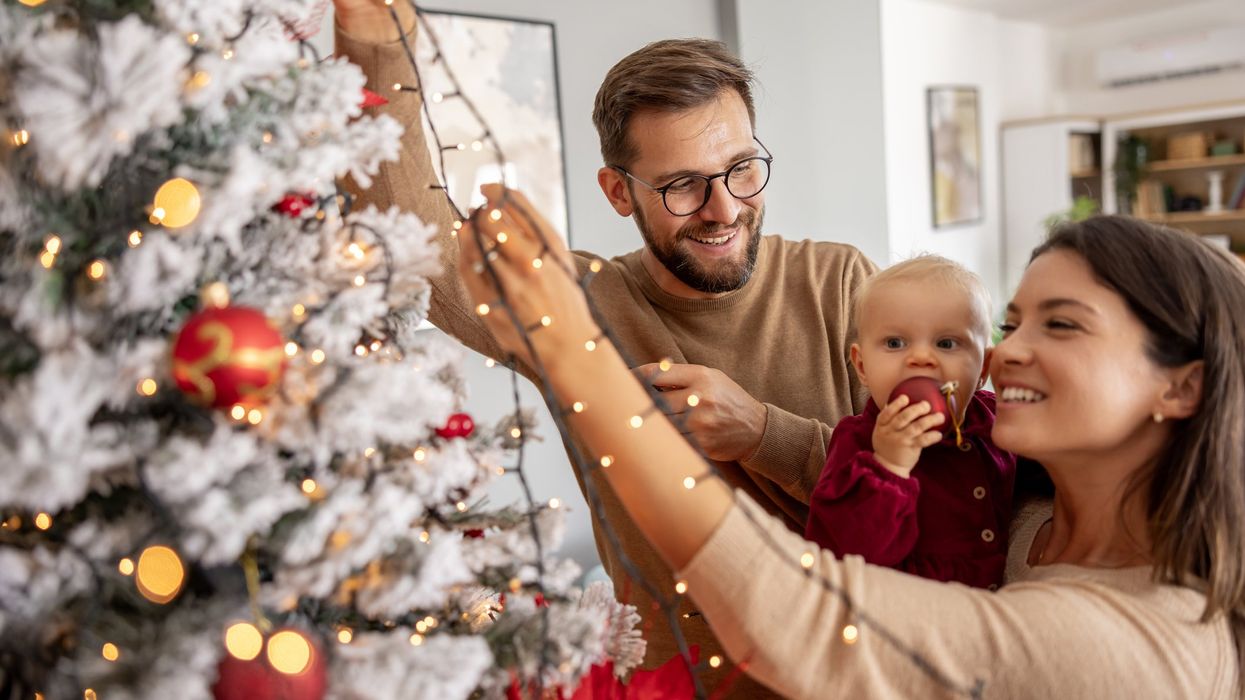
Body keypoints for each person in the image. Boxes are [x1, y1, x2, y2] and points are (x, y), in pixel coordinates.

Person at [457, 204, 1244, 697]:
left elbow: (795, 611)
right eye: (1012, 325)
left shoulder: (1129, 645)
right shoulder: (1036, 506)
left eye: (1061, 324)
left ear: (1180, 389)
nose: (1003, 356)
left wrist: (571, 348)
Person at [332, 2, 875, 690]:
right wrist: (377, 35)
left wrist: (763, 434)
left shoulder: (843, 282)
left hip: (844, 678)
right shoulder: (572, 303)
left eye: (741, 168)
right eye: (682, 186)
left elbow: (932, 491)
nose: (725, 208)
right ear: (619, 192)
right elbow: (411, 234)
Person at [805, 256, 1016, 590]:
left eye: (946, 343)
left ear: (983, 368)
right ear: (862, 367)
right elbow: (844, 555)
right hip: (910, 619)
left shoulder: (997, 422)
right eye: (895, 343)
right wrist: (888, 466)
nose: (920, 358)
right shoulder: (857, 442)